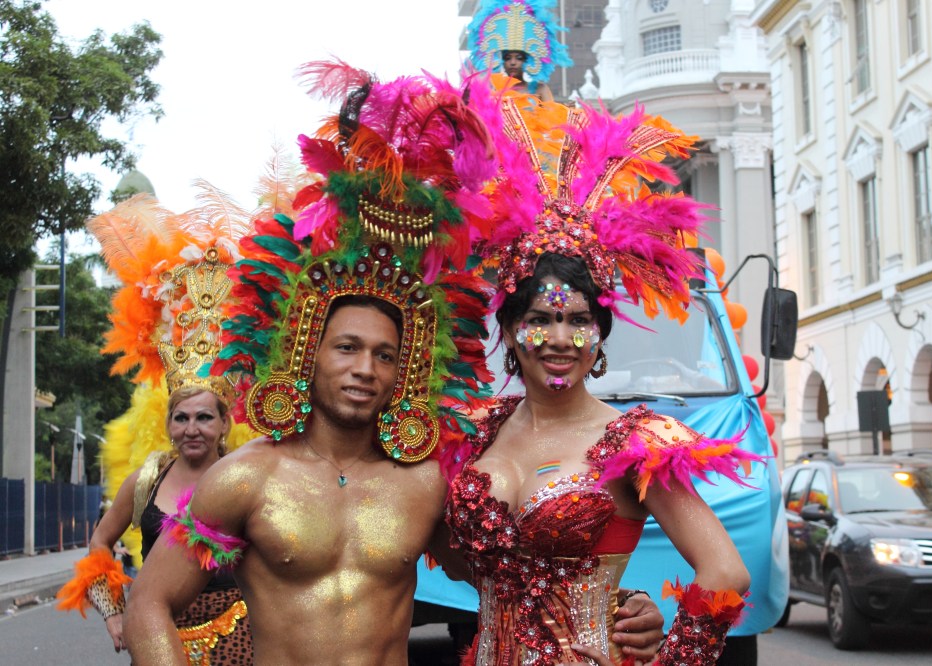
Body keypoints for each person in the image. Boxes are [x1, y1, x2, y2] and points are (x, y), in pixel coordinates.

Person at [122, 62, 664, 666]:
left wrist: (622, 603)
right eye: (346, 348)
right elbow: (150, 603)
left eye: (385, 355)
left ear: (405, 372)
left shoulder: (425, 484)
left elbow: (519, 579)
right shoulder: (244, 480)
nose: (365, 369)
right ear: (305, 354)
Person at [440, 83, 765, 665]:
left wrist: (669, 659)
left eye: (579, 321)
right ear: (509, 331)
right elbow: (464, 561)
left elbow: (726, 572)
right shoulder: (477, 432)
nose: (560, 339)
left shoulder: (635, 442)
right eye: (540, 320)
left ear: (599, 334)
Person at [56, 192, 256, 664]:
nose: (192, 428)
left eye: (204, 417)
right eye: (181, 418)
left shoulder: (247, 477)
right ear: (168, 424)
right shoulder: (146, 480)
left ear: (224, 424)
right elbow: (101, 542)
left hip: (239, 640)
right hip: (156, 640)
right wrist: (113, 613)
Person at [468, 0, 571, 102]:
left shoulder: (540, 89)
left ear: (526, 61)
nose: (512, 62)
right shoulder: (495, 93)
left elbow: (552, 112)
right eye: (507, 58)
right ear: (502, 62)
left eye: (519, 58)